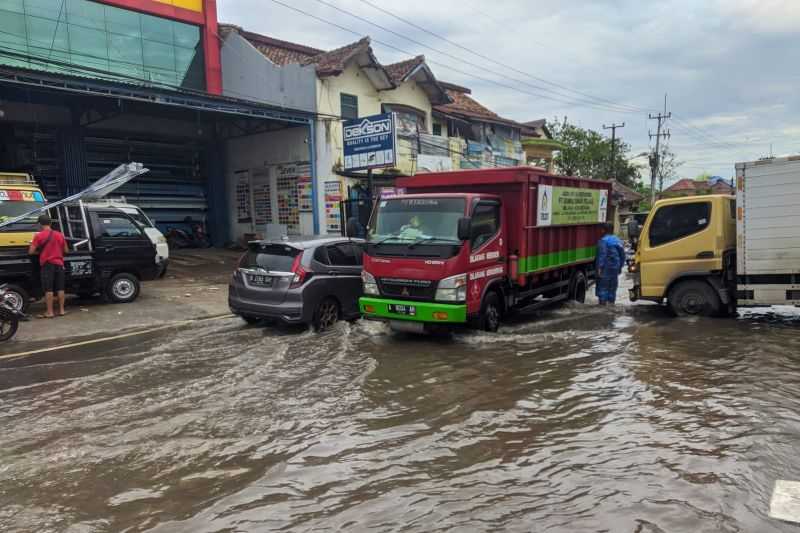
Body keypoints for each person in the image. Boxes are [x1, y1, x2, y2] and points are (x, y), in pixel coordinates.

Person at [28, 214, 68, 318]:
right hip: (59, 264)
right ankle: (62, 310)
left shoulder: (38, 236)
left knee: (48, 289)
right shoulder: (60, 234)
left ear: (40, 224)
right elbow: (66, 250)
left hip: (47, 265)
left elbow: (31, 252)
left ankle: (50, 312)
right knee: (60, 288)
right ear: (50, 223)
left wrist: (39, 249)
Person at [596, 223, 626, 305]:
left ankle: (602, 307)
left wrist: (599, 268)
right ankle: (611, 305)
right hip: (615, 268)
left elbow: (602, 255)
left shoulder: (603, 241)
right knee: (612, 288)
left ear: (603, 230)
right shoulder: (618, 240)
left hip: (606, 268)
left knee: (603, 288)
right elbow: (622, 255)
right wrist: (620, 267)